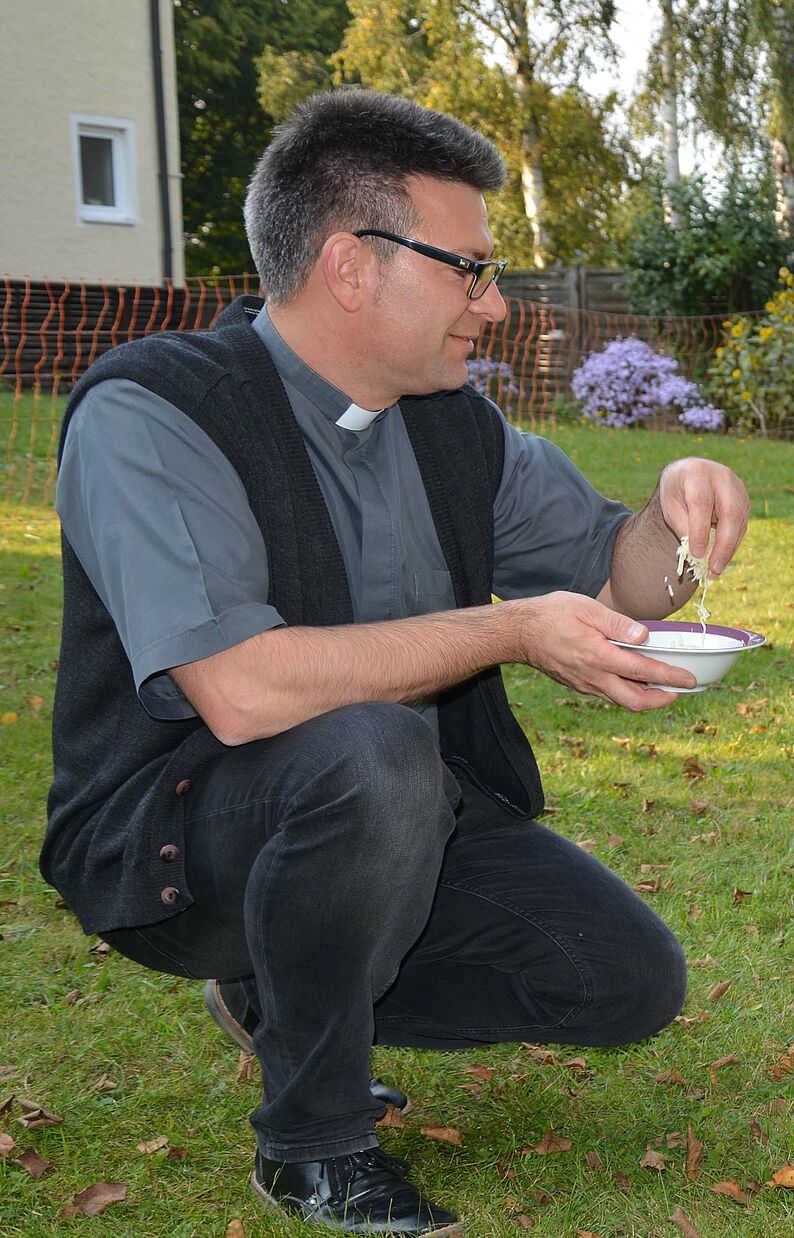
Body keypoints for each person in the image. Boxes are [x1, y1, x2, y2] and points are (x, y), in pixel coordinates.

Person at [44, 88, 746, 1235]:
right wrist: (513, 629)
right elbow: (239, 688)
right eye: (469, 268)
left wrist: (683, 517)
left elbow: (628, 579)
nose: (498, 302)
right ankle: (313, 1143)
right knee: (369, 749)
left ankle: (283, 980)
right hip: (168, 840)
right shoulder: (154, 412)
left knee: (622, 978)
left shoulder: (451, 425)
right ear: (351, 265)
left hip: (390, 817)